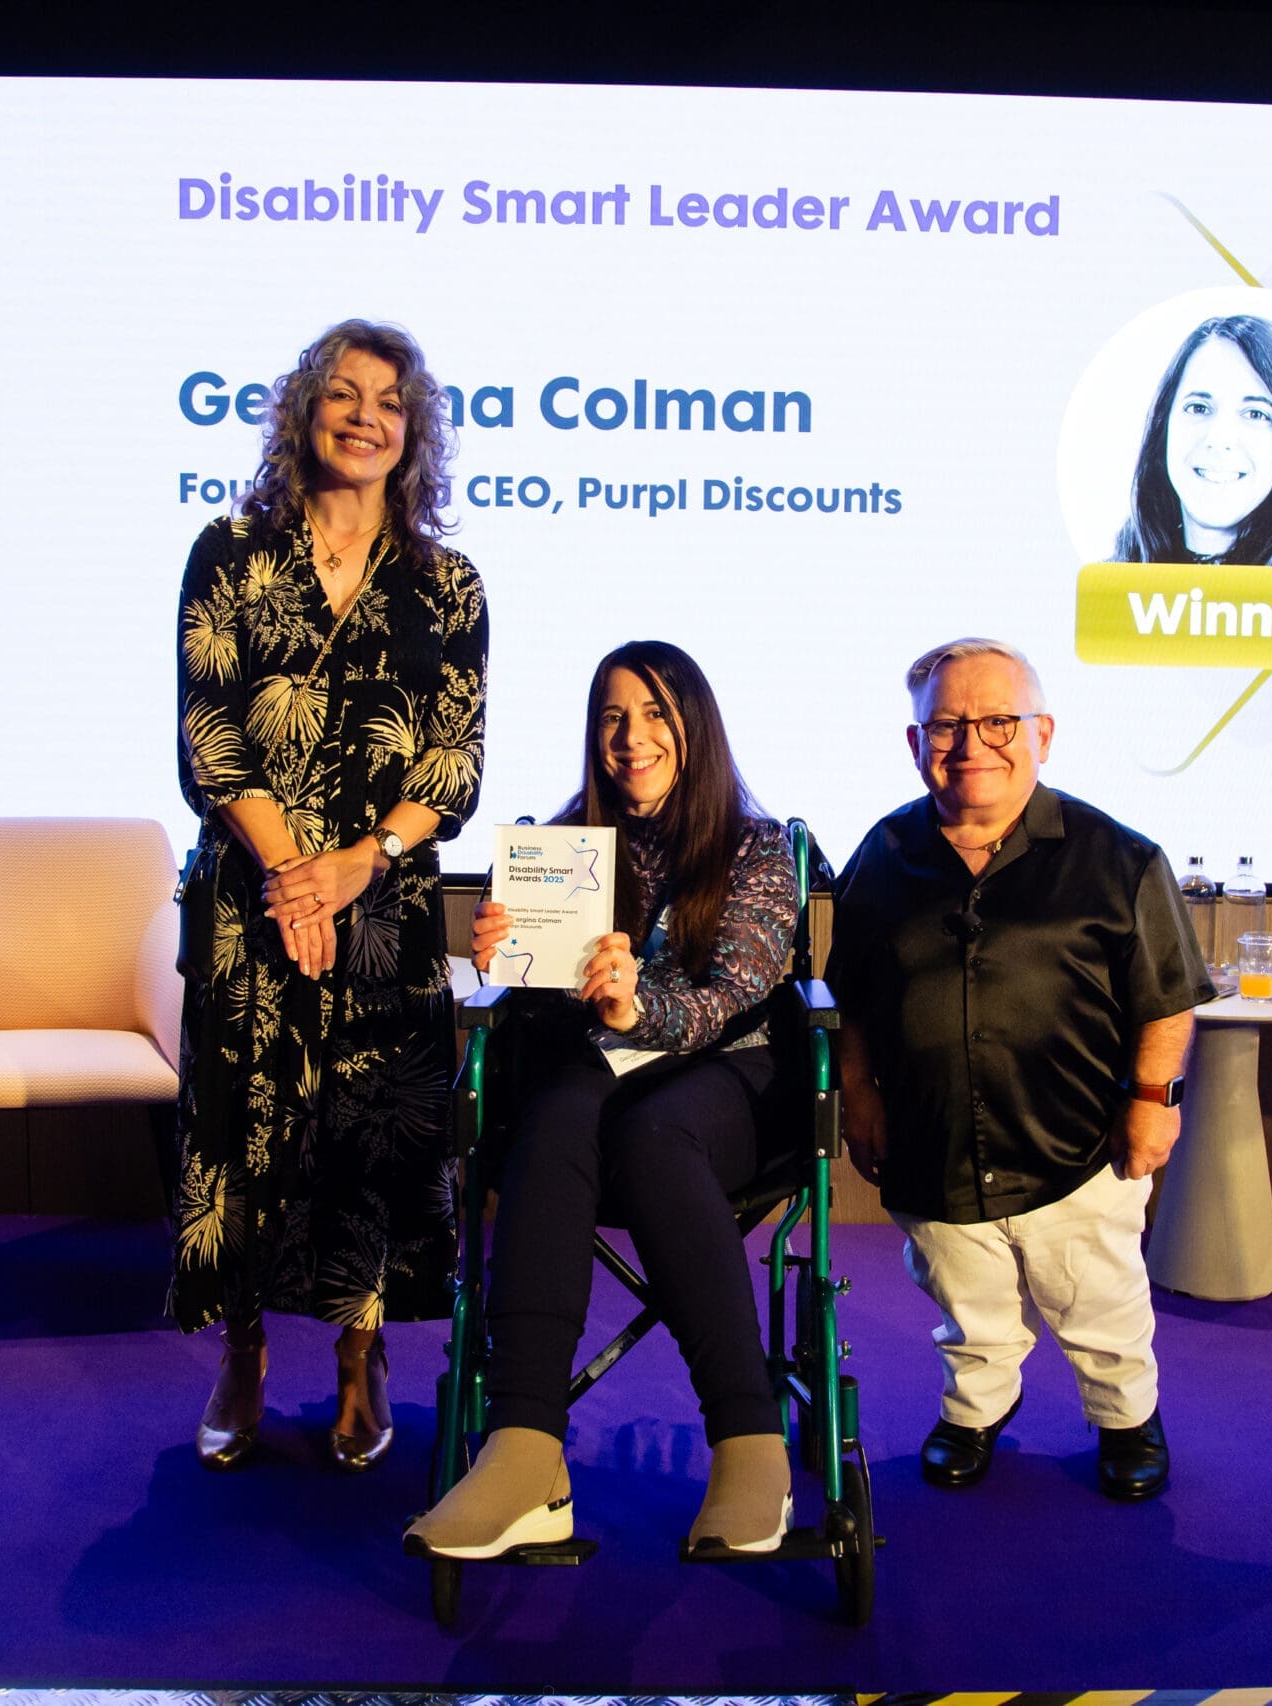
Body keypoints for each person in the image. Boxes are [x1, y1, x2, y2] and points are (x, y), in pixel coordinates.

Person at [170, 318, 488, 1475]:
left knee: (364, 1137)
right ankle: (242, 1349)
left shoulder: (448, 583)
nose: (366, 415)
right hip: (251, 909)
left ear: (415, 435)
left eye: (390, 402)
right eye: (344, 393)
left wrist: (355, 863)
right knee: (247, 1132)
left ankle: (361, 1353)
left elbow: (452, 759)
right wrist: (287, 873)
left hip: (386, 910)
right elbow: (209, 734)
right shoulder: (230, 551)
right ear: (305, 409)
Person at [405, 640, 803, 1560]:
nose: (633, 738)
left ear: (694, 725)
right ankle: (524, 1454)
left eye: (657, 713)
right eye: (614, 717)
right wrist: (506, 958)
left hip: (722, 1078)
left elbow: (723, 997)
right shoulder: (559, 848)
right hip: (596, 1079)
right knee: (551, 1120)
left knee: (656, 1134)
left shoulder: (755, 848)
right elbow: (534, 1002)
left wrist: (639, 1002)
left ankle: (750, 1444)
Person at [826, 637, 1214, 1502]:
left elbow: (1165, 997)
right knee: (970, 1312)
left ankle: (1125, 1421)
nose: (972, 744)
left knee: (1101, 1308)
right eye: (948, 725)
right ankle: (975, 1413)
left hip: (1077, 1148)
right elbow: (851, 1000)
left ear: (1043, 732)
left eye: (997, 721)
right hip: (932, 1149)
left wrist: (1155, 1100)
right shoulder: (881, 856)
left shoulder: (1120, 858)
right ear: (915, 743)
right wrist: (858, 1097)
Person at [1114, 313, 1272, 568]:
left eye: (1256, 414)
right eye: (1198, 408)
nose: (1219, 438)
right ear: (1162, 426)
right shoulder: (1109, 589)